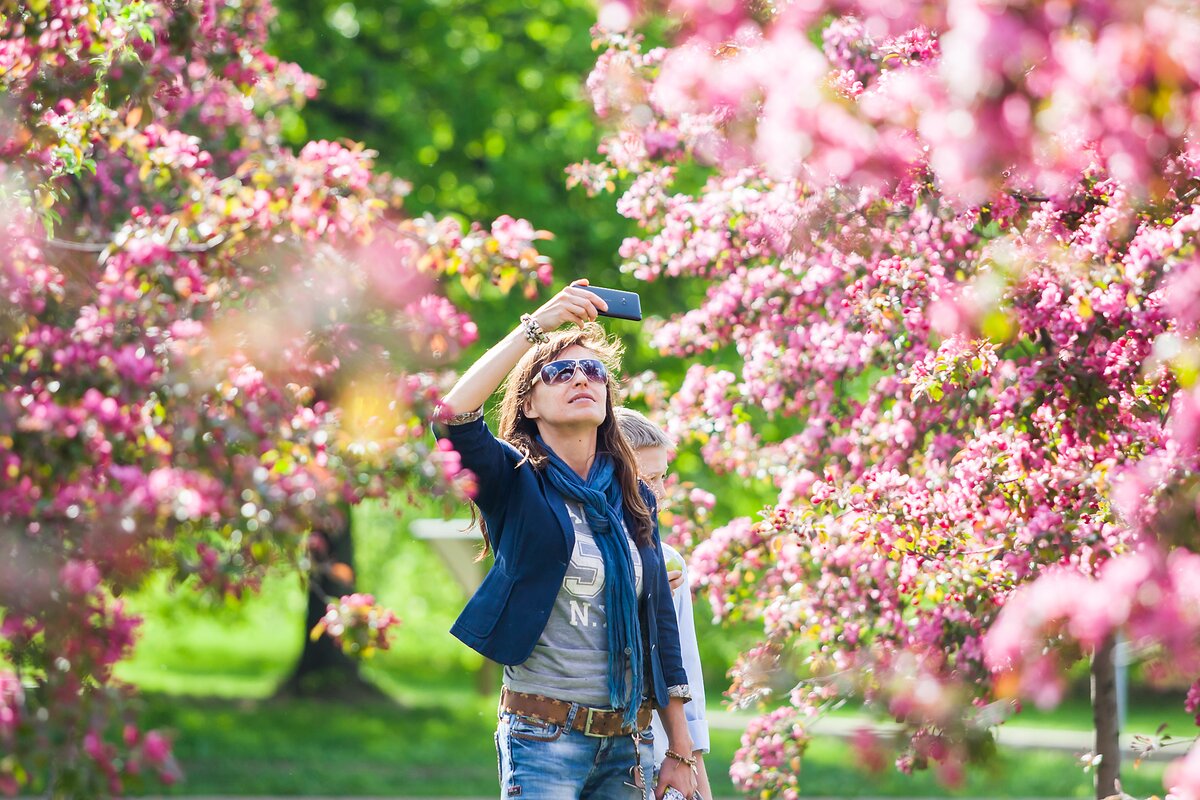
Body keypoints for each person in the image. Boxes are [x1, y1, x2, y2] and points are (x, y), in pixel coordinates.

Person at [434, 280, 699, 800]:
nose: (580, 377)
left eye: (593, 371)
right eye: (559, 371)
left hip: (630, 743)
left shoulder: (631, 497)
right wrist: (535, 329)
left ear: (606, 395)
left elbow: (659, 628)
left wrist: (680, 750)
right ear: (529, 403)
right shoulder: (515, 481)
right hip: (543, 737)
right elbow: (452, 418)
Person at [613, 408, 712, 800]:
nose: (663, 495)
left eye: (662, 477)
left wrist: (694, 772)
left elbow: (684, 669)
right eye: (648, 480)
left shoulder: (671, 563)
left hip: (662, 754)